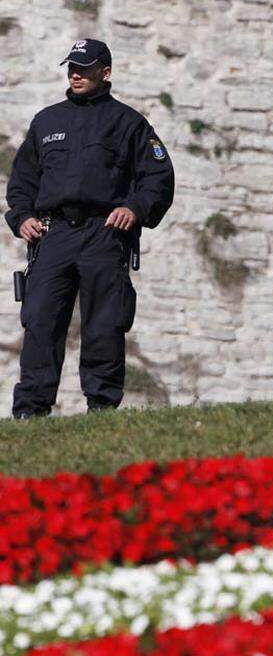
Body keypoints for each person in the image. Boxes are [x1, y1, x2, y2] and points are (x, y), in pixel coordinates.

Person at [5, 39, 174, 417]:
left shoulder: (129, 123)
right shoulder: (46, 121)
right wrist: (22, 217)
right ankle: (30, 412)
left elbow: (158, 178)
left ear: (106, 72)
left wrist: (134, 207)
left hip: (105, 234)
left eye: (83, 67)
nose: (75, 74)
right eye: (71, 68)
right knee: (41, 321)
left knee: (105, 323)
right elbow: (22, 184)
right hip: (53, 236)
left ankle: (101, 406)